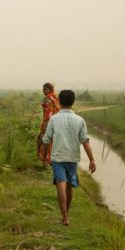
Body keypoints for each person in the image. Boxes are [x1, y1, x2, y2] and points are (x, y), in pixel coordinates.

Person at [41, 90, 96, 226]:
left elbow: (46, 140)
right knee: (69, 186)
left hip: (58, 157)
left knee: (61, 184)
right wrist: (92, 159)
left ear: (59, 101)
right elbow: (85, 141)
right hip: (72, 157)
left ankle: (64, 217)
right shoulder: (79, 120)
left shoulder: (54, 119)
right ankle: (67, 213)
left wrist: (44, 156)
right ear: (73, 102)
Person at [37, 82, 61, 164]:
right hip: (57, 122)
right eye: (43, 89)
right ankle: (50, 159)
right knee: (53, 141)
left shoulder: (47, 98)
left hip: (48, 122)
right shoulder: (56, 97)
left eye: (45, 89)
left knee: (44, 140)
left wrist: (44, 122)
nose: (44, 91)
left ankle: (45, 159)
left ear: (50, 89)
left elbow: (45, 112)